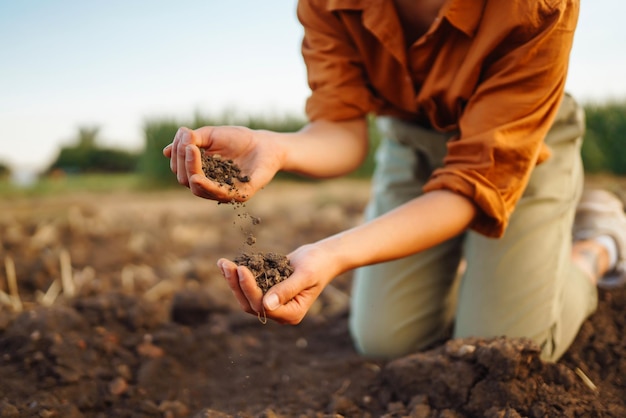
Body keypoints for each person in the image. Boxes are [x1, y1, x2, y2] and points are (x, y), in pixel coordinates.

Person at [163, 0, 626, 362]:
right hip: (414, 142)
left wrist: (333, 253)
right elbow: (341, 131)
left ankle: (596, 244)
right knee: (386, 340)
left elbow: (469, 185)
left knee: (510, 345)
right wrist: (279, 148)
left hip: (517, 148)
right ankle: (480, 269)